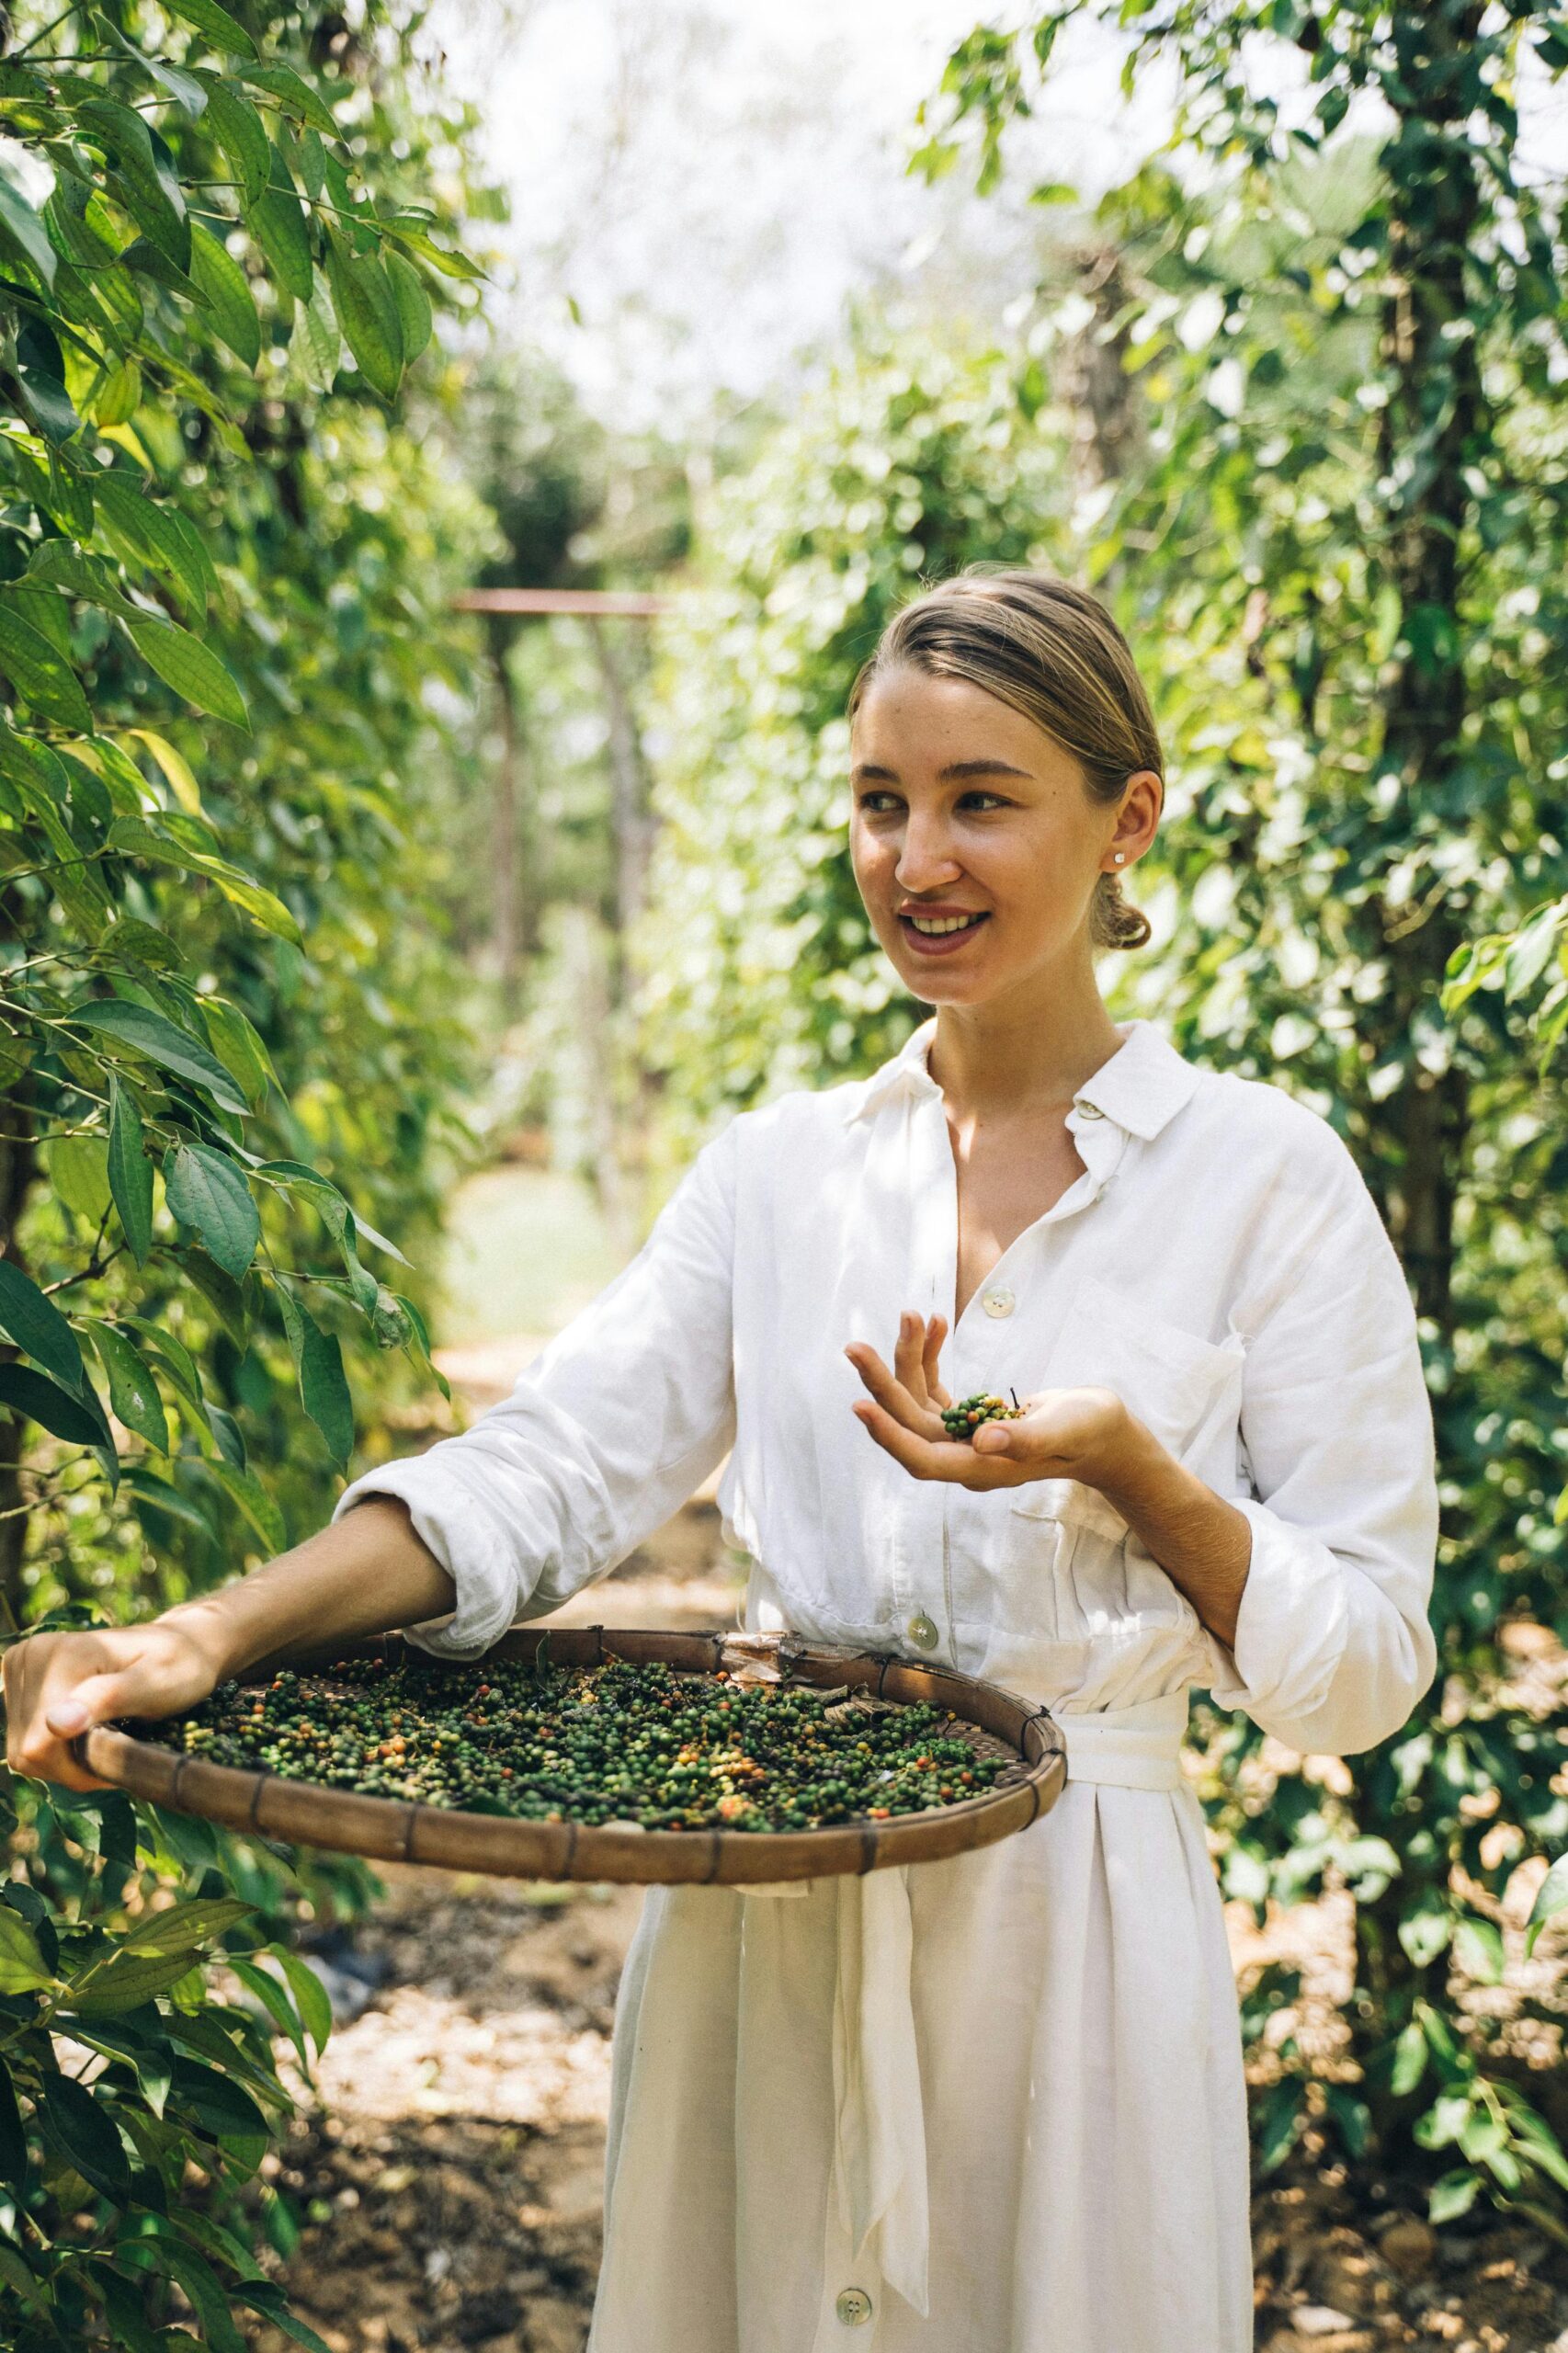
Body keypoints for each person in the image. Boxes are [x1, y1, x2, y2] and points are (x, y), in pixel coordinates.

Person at [4, 570, 1439, 2353]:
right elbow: (549, 1465)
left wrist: (1144, 1474)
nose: (916, 857)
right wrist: (209, 1633)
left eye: (980, 798)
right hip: (760, 1914)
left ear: (1124, 816)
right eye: (878, 800)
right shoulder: (784, 1176)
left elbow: (1369, 1668)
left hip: (1070, 1959)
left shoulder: (1262, 1180)